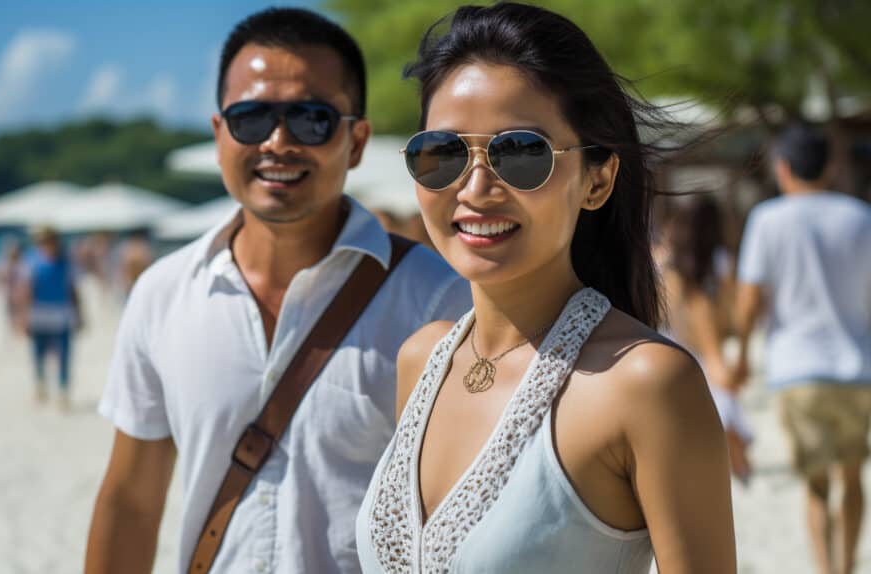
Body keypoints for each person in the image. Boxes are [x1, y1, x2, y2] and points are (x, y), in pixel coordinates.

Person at [84, 8, 471, 574]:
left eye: (312, 119)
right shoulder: (162, 294)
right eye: (251, 118)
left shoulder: (439, 302)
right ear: (220, 136)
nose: (278, 141)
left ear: (356, 141)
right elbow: (131, 501)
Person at [355, 4, 735, 573]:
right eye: (442, 154)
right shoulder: (422, 358)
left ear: (598, 180)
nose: (476, 187)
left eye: (521, 153)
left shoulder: (644, 384)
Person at [733, 122, 871, 574]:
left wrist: (740, 357)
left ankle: (827, 570)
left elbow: (750, 299)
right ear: (831, 167)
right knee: (852, 477)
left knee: (815, 486)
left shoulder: (768, 219)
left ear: (784, 168)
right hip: (857, 368)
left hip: (797, 370)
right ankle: (848, 566)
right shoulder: (860, 217)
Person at [657, 194, 753, 483]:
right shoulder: (718, 265)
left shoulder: (661, 263)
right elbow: (727, 319)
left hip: (668, 359)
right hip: (706, 360)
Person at [18, 226, 82, 410]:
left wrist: (79, 314)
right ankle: (41, 385)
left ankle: (63, 391)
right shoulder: (32, 261)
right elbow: (26, 290)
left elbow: (72, 289)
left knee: (64, 355)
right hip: (39, 315)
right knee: (38, 354)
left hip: (61, 314)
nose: (49, 244)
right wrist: (24, 316)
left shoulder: (66, 261)